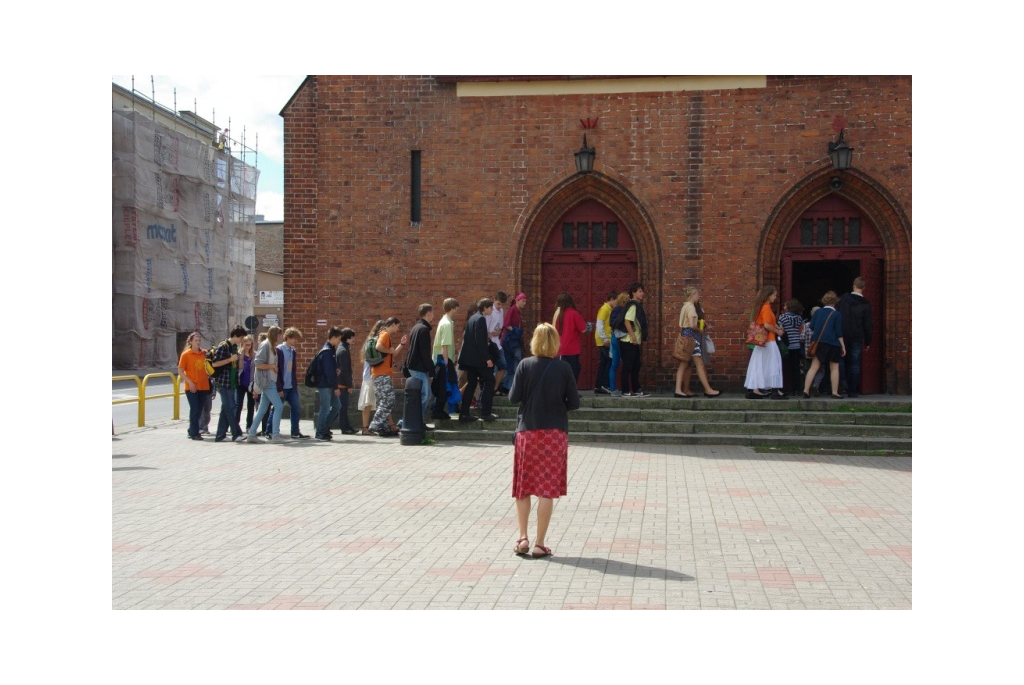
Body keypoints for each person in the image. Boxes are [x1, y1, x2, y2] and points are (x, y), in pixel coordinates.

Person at [508, 323, 581, 559]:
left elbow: (513, 398)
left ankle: (522, 537)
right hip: (554, 434)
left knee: (524, 487)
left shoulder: (524, 365)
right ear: (556, 342)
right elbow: (574, 403)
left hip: (527, 432)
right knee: (546, 490)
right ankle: (540, 543)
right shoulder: (563, 368)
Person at [673, 287, 720, 398]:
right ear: (692, 294)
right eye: (697, 293)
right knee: (699, 363)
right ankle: (708, 390)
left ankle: (678, 390)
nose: (698, 296)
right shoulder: (691, 307)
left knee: (683, 364)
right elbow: (692, 325)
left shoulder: (685, 306)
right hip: (692, 338)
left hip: (685, 336)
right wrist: (700, 329)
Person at [245, 326, 288, 443]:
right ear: (275, 335)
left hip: (269, 380)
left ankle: (252, 433)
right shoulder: (266, 345)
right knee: (278, 406)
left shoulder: (271, 346)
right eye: (279, 335)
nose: (281, 337)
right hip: (267, 381)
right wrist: (272, 366)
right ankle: (275, 435)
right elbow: (258, 363)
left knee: (262, 409)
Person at [458, 298, 497, 422]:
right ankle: (485, 412)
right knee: (490, 380)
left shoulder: (473, 317)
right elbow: (480, 342)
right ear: (485, 308)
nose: (491, 309)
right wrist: (487, 359)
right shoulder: (480, 319)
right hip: (477, 360)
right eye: (490, 307)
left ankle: (464, 413)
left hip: (470, 360)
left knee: (472, 384)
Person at [744, 286, 786, 399]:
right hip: (769, 340)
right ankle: (774, 389)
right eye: (774, 295)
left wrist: (776, 326)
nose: (775, 297)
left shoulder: (760, 307)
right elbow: (767, 325)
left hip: (761, 341)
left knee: (758, 365)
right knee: (773, 364)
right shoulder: (766, 307)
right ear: (768, 295)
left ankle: (753, 388)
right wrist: (778, 331)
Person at [802, 291, 847, 399]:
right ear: (835, 301)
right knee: (834, 368)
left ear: (824, 300)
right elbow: (838, 332)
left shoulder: (817, 313)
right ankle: (835, 392)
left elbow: (811, 326)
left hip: (819, 343)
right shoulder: (837, 314)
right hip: (833, 344)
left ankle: (806, 390)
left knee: (814, 367)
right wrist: (843, 346)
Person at [368, 317, 408, 437]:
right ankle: (375, 425)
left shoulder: (384, 335)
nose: (398, 329)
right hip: (382, 374)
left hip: (379, 373)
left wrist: (401, 344)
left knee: (382, 401)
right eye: (397, 326)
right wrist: (389, 351)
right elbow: (378, 347)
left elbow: (393, 354)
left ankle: (384, 428)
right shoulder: (385, 334)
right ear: (392, 324)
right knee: (388, 400)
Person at [835, 276, 872, 397]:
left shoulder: (842, 300)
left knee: (840, 359)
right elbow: (867, 324)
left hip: (842, 335)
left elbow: (836, 317)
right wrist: (867, 341)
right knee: (855, 364)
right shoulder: (865, 304)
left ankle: (843, 381)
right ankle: (852, 391)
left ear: (853, 285)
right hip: (856, 336)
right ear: (864, 288)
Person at [210, 325, 247, 442]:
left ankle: (220, 435)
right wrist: (229, 360)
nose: (242, 341)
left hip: (231, 382)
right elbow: (214, 364)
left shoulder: (234, 347)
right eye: (241, 338)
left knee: (225, 408)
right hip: (223, 382)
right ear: (235, 336)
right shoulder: (223, 346)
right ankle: (236, 433)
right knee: (230, 407)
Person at [272, 327, 310, 439]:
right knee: (277, 408)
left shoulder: (293, 351)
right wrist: (278, 387)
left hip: (291, 386)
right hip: (282, 386)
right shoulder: (279, 350)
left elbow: (292, 369)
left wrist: (294, 384)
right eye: (294, 339)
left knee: (296, 408)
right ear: (287, 338)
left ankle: (295, 432)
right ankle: (270, 431)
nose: (295, 341)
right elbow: (277, 370)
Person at [178, 331, 211, 440]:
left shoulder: (204, 353)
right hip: (191, 387)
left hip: (203, 386)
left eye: (199, 340)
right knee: (195, 408)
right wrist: (190, 382)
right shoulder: (186, 354)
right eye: (196, 340)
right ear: (191, 342)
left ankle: (191, 429)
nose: (198, 342)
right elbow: (180, 371)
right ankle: (194, 433)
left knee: (200, 409)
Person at [431, 298, 459, 421]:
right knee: (445, 386)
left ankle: (438, 409)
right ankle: (438, 410)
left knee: (443, 387)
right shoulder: (447, 324)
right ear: (453, 308)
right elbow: (445, 345)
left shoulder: (444, 321)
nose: (457, 311)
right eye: (456, 308)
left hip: (440, 358)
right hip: (443, 359)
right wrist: (447, 362)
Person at [406, 303, 436, 421]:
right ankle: (414, 421)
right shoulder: (423, 329)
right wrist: (431, 370)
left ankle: (413, 421)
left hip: (414, 366)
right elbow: (425, 353)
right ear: (428, 313)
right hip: (418, 367)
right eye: (432, 313)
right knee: (424, 396)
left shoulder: (416, 327)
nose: (433, 315)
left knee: (424, 395)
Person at [620, 282, 649, 397]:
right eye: (640, 291)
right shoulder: (633, 305)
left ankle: (636, 389)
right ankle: (625, 390)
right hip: (629, 341)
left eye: (642, 291)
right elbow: (627, 321)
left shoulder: (636, 305)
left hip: (634, 340)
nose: (642, 293)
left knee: (636, 365)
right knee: (628, 366)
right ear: (633, 293)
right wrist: (633, 337)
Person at [314, 327, 343, 441]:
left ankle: (324, 428)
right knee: (325, 408)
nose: (339, 341)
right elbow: (328, 371)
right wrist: (335, 387)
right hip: (325, 384)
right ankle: (320, 432)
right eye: (339, 339)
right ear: (333, 337)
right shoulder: (327, 351)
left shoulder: (330, 350)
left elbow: (331, 369)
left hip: (329, 383)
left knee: (337, 406)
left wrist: (336, 370)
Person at [552, 292, 587, 383]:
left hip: (560, 348)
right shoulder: (574, 314)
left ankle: (562, 391)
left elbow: (554, 330)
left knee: (561, 371)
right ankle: (571, 391)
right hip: (572, 348)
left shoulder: (558, 315)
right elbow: (583, 329)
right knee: (574, 370)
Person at [358, 321, 384, 435]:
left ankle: (366, 427)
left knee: (369, 404)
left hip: (368, 376)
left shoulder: (369, 341)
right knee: (371, 403)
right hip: (372, 375)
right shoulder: (376, 342)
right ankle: (365, 428)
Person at [499, 292, 527, 393]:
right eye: (523, 301)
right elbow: (506, 324)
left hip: (514, 341)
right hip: (510, 341)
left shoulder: (518, 311)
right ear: (517, 300)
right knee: (513, 363)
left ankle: (510, 385)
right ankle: (507, 386)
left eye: (525, 301)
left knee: (515, 363)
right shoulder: (512, 310)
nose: (524, 303)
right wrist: (515, 330)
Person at [778, 299, 805, 397]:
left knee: (784, 368)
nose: (784, 307)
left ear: (788, 306)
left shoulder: (782, 317)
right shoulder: (799, 318)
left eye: (785, 305)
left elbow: (780, 329)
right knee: (796, 368)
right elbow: (801, 330)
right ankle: (796, 389)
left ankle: (784, 388)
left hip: (786, 346)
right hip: (796, 345)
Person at [335, 327, 358, 435]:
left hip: (341, 383)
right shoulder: (343, 351)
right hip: (342, 384)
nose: (354, 339)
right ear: (348, 338)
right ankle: (345, 428)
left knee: (341, 407)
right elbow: (345, 370)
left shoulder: (342, 348)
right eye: (352, 337)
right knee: (342, 407)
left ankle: (347, 426)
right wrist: (349, 385)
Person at [593, 290, 616, 394]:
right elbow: (599, 325)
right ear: (611, 299)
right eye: (616, 301)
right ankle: (603, 385)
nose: (617, 303)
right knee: (608, 362)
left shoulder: (609, 309)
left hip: (605, 340)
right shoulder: (605, 309)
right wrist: (604, 339)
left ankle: (599, 386)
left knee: (604, 362)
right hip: (604, 341)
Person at [607, 292, 629, 397]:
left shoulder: (617, 309)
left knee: (615, 364)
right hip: (618, 337)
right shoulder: (618, 309)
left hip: (616, 337)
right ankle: (614, 388)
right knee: (617, 363)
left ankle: (614, 388)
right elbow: (612, 323)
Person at [489, 291, 510, 395]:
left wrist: (499, 331)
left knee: (503, 366)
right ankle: (488, 389)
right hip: (490, 343)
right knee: (490, 369)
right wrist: (489, 333)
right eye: (498, 304)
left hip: (497, 343)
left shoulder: (501, 311)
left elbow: (501, 326)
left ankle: (494, 388)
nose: (500, 306)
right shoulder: (490, 310)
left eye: (502, 304)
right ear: (494, 300)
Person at [235, 334, 257, 432]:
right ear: (242, 344)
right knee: (238, 405)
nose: (248, 347)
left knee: (250, 405)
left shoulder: (254, 355)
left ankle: (249, 426)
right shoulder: (239, 354)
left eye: (250, 345)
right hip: (240, 383)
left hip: (251, 383)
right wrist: (242, 355)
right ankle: (235, 426)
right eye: (246, 345)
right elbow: (239, 368)